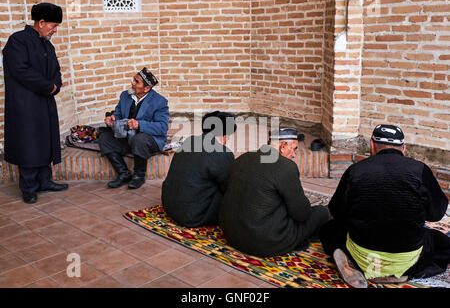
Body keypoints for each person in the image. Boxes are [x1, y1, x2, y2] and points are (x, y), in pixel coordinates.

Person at [319, 124, 450, 288]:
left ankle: (352, 261)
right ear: (404, 148)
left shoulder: (355, 170)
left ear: (372, 145)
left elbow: (338, 211)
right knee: (441, 243)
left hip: (364, 254)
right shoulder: (420, 170)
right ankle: (405, 272)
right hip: (405, 256)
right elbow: (436, 214)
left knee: (330, 229)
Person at [219, 128, 330, 257]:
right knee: (321, 212)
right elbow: (302, 214)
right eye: (294, 149)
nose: (294, 155)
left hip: (231, 235)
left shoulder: (242, 158)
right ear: (283, 146)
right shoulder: (285, 167)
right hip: (263, 242)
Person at [2, 2, 68, 204]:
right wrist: (49, 87)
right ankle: (29, 187)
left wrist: (55, 84)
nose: (55, 30)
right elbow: (21, 71)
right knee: (29, 143)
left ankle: (45, 181)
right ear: (40, 22)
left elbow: (56, 70)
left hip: (45, 102)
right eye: (53, 25)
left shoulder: (47, 44)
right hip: (25, 105)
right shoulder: (17, 41)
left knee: (45, 141)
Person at [162, 111, 236, 227]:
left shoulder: (188, 141)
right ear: (225, 135)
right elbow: (228, 187)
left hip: (169, 206)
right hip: (194, 216)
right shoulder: (222, 152)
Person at [99, 68, 169, 190]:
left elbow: (162, 127)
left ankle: (139, 176)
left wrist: (139, 124)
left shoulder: (159, 102)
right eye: (133, 79)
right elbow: (118, 113)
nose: (132, 83)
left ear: (146, 88)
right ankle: (124, 174)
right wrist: (113, 119)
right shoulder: (125, 95)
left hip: (147, 140)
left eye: (136, 81)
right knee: (105, 137)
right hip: (127, 137)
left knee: (139, 139)